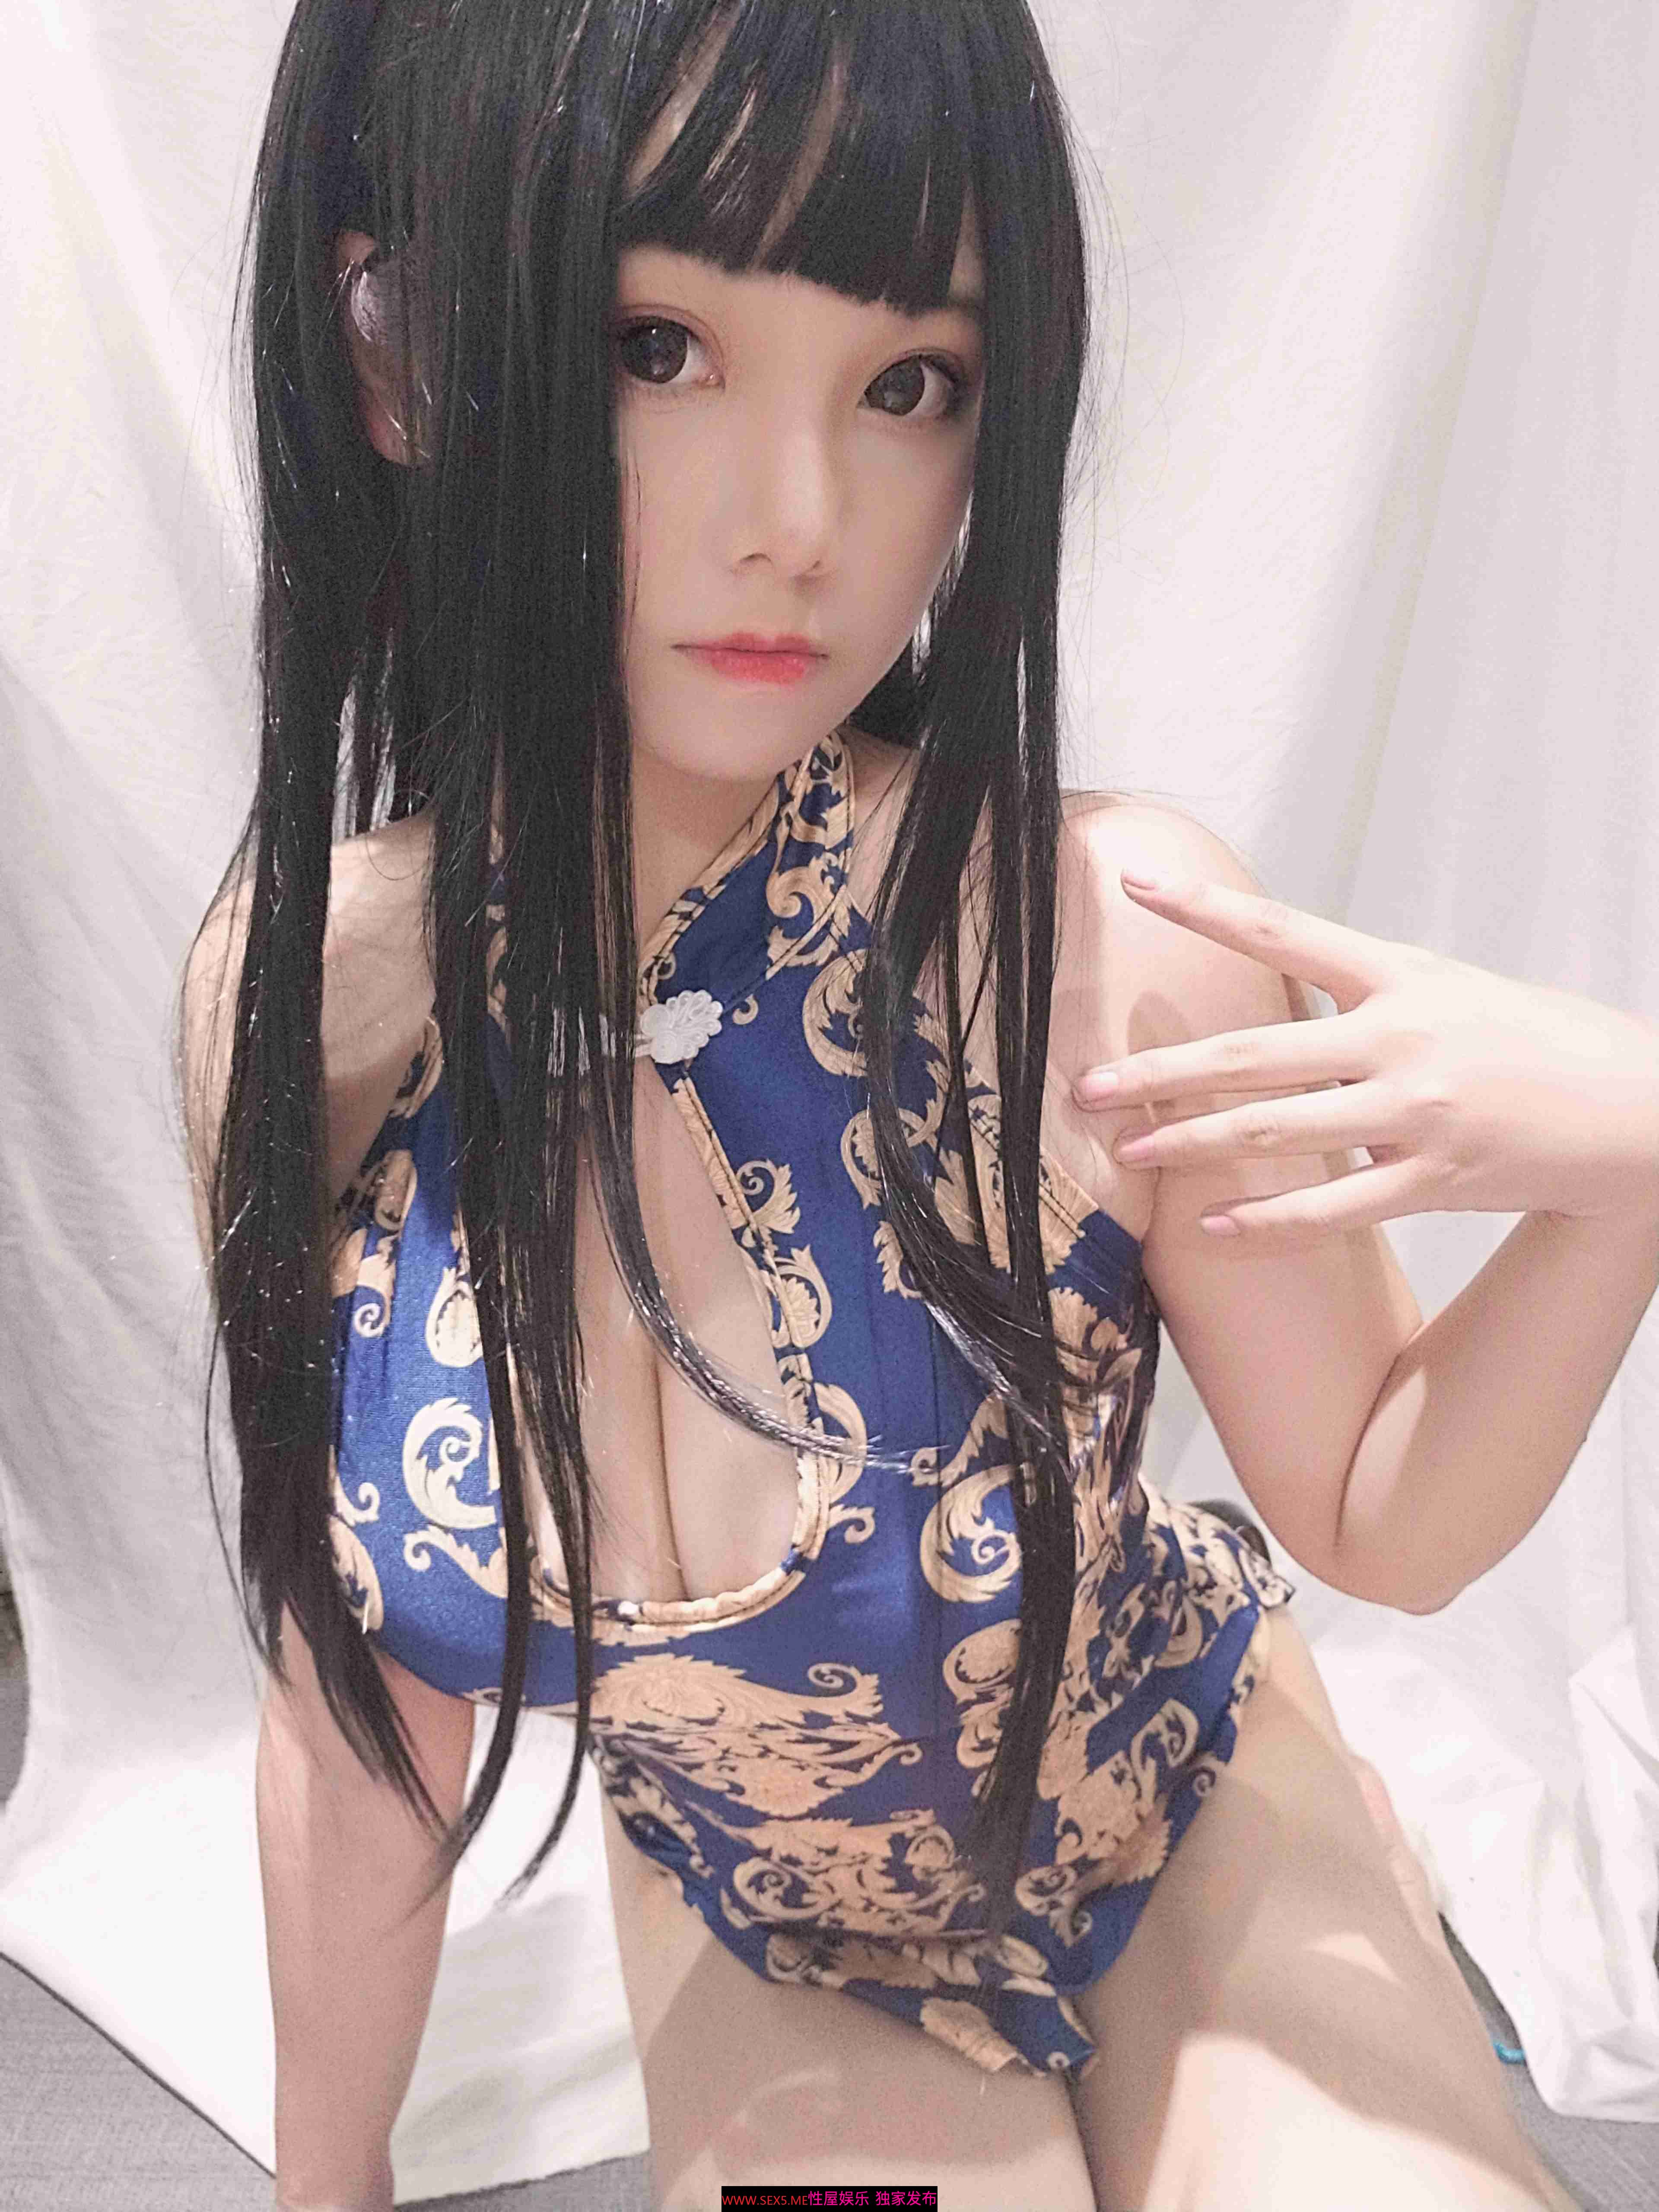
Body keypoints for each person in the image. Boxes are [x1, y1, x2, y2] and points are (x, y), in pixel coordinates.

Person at [177, 3, 1659, 2206]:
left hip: (1177, 1802)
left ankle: (1345, 1917)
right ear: (396, 350)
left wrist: (1629, 1154)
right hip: (771, 1920)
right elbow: (356, 1708)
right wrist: (329, 2184)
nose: (800, 521)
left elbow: (1384, 1512)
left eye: (911, 385)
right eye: (657, 347)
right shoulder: (311, 1017)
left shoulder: (1104, 938)